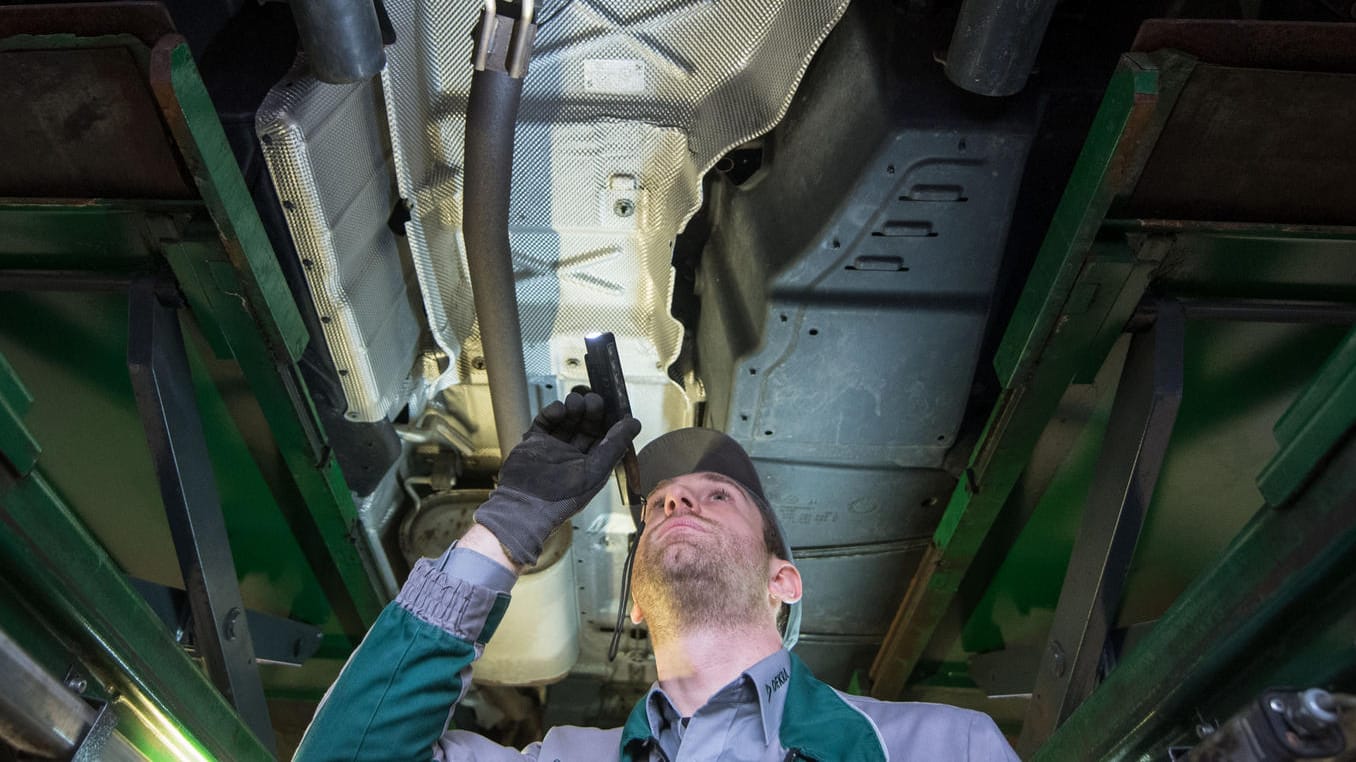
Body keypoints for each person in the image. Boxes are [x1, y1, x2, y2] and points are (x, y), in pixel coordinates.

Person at [294, 392, 1018, 761]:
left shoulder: (943, 748)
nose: (675, 499)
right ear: (637, 604)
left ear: (784, 582)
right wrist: (508, 524)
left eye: (718, 496)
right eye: (663, 503)